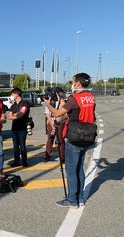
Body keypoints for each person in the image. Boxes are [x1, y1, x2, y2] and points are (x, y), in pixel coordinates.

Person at [44, 73, 96, 208]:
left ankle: (72, 200)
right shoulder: (90, 97)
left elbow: (56, 114)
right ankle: (79, 197)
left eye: (73, 81)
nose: (72, 83)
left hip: (74, 135)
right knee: (79, 169)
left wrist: (48, 104)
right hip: (87, 135)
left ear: (78, 83)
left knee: (71, 169)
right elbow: (78, 113)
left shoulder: (75, 98)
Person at [8, 88, 30, 167]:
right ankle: (16, 161)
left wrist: (15, 115)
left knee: (22, 145)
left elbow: (22, 114)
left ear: (17, 94)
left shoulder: (24, 103)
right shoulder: (13, 105)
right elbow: (9, 116)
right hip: (14, 128)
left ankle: (24, 162)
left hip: (22, 128)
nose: (11, 96)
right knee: (15, 145)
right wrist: (16, 114)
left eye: (12, 94)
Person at [44, 87, 67, 162]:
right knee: (50, 139)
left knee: (60, 140)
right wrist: (51, 122)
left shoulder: (63, 102)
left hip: (60, 123)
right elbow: (47, 113)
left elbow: (65, 113)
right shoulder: (51, 102)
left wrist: (61, 101)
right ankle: (47, 156)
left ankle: (62, 157)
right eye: (60, 93)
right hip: (51, 123)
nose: (61, 94)